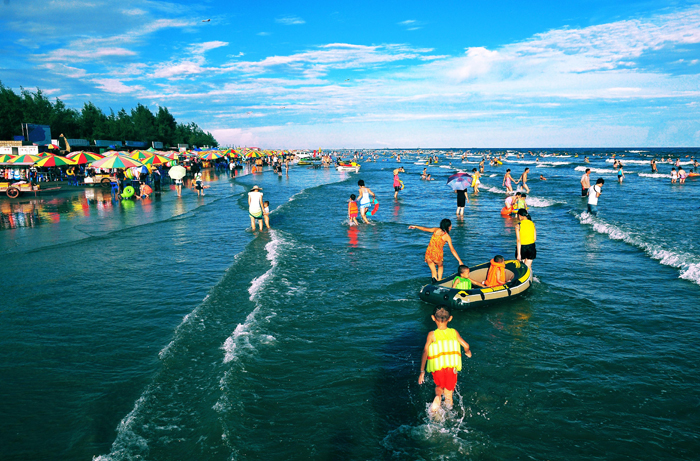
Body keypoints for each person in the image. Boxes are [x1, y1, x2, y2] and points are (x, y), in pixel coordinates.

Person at [418, 305, 472, 412]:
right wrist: (467, 352)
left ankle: (437, 397)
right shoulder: (454, 332)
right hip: (451, 368)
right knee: (449, 394)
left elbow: (425, 351)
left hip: (438, 368)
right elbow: (466, 345)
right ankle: (448, 412)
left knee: (438, 386)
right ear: (450, 318)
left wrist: (422, 372)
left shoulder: (431, 335)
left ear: (433, 318)